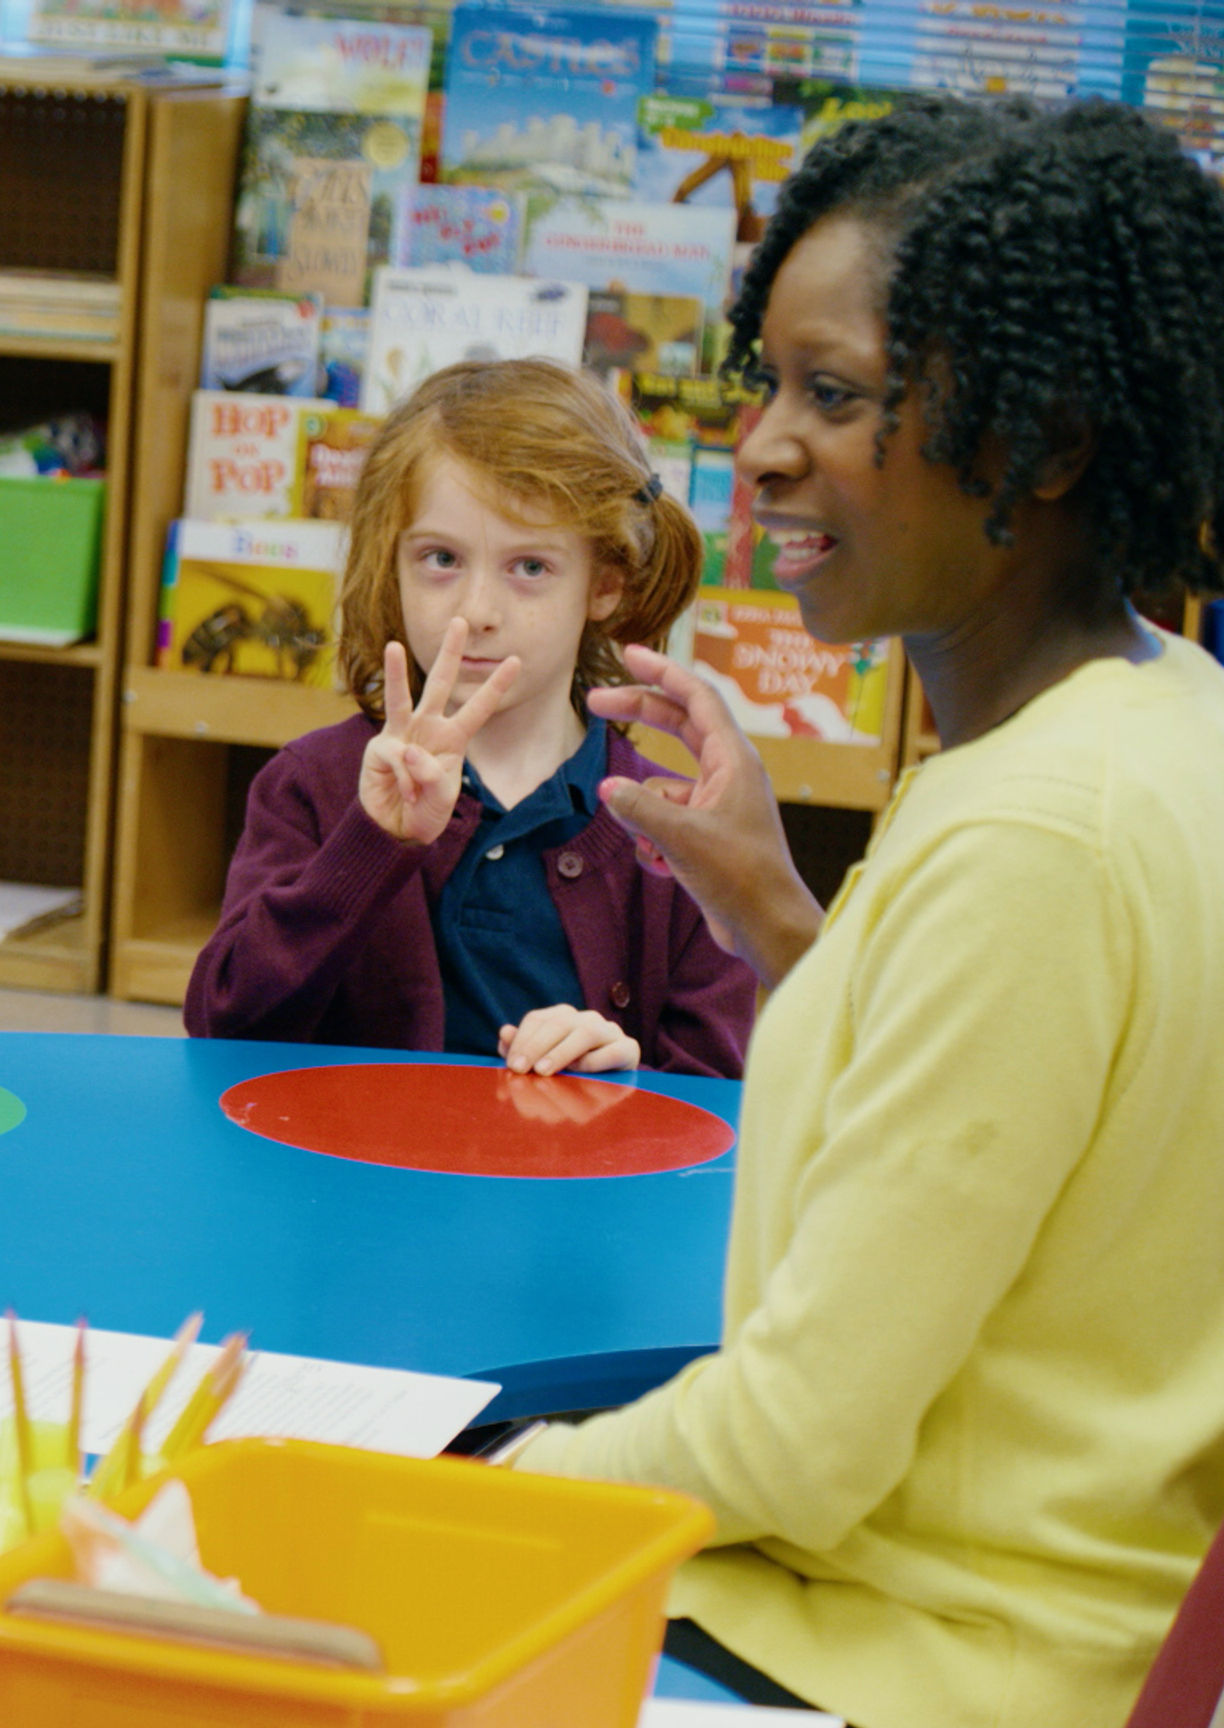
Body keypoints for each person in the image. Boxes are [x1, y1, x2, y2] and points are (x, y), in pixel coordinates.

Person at [501, 96, 1224, 1728]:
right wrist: (773, 909)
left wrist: (483, 1478)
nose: (758, 442)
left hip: (923, 1654)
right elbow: (1023, 1127)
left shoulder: (1036, 831)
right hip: (1057, 1614)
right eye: (765, 381)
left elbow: (795, 1443)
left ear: (1043, 444)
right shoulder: (1164, 715)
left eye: (828, 393)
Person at [184, 358, 756, 1078]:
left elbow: (712, 1118)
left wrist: (628, 1078)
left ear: (605, 584)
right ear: (387, 565)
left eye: (530, 568)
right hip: (354, 1187)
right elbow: (220, 1027)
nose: (477, 612)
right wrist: (368, 845)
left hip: (572, 1191)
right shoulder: (313, 785)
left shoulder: (680, 829)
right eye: (441, 558)